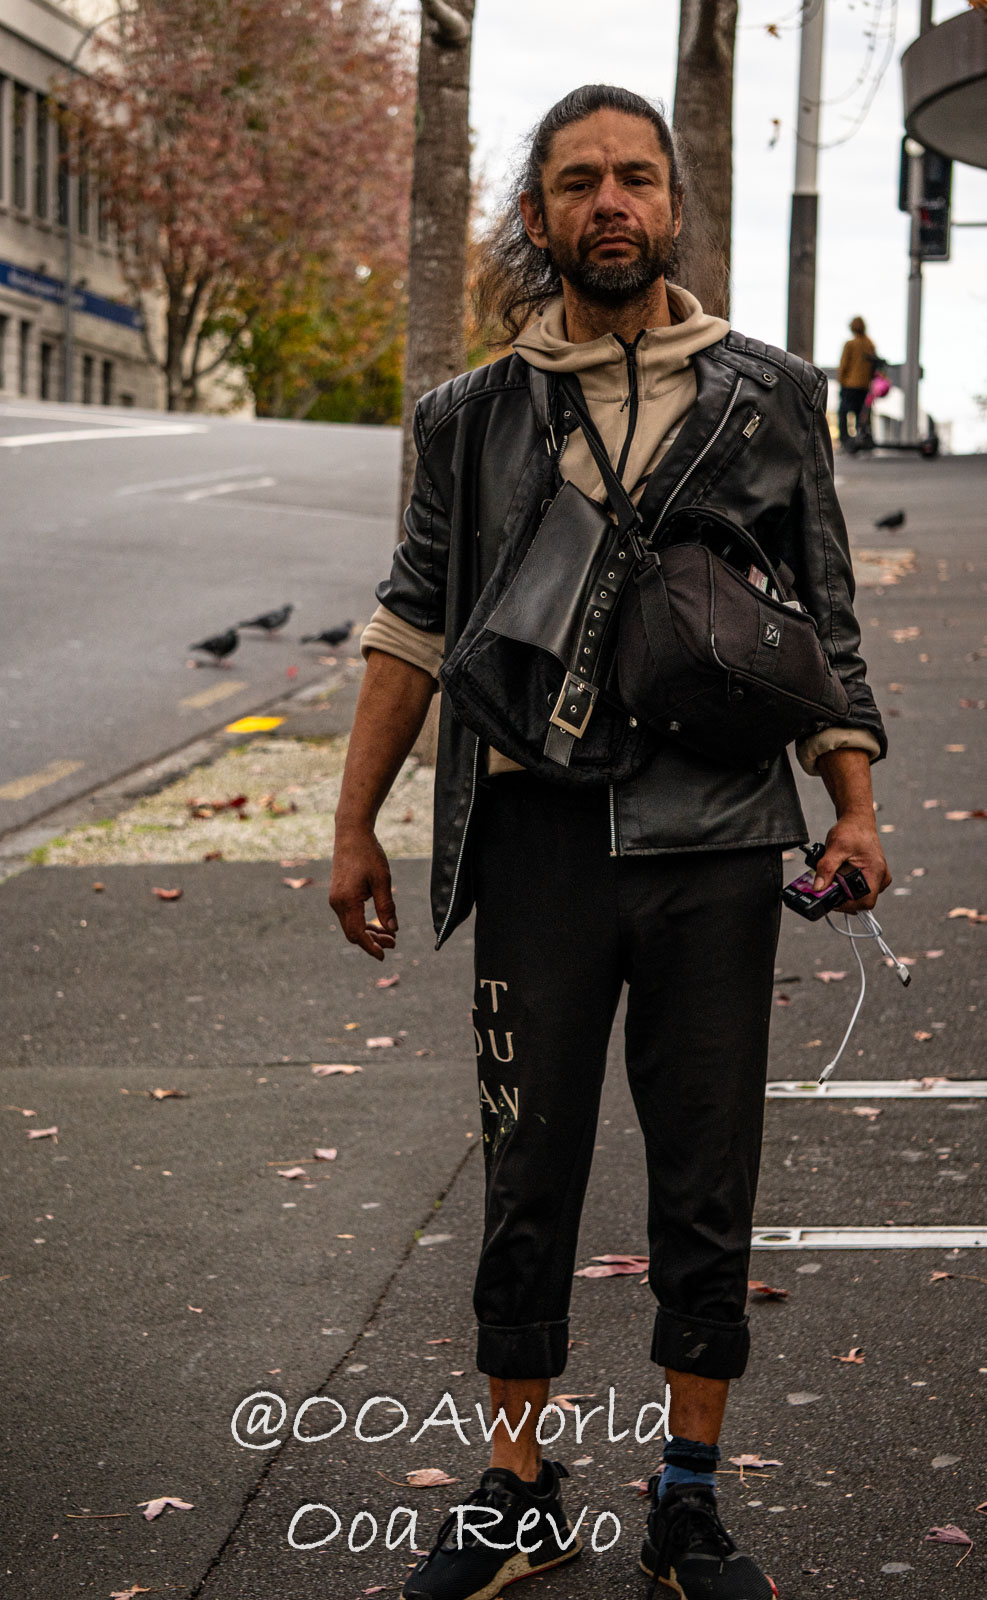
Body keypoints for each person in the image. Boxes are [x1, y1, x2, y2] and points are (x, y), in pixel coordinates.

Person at [330, 85, 889, 1600]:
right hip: (534, 844)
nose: (607, 203)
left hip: (714, 843)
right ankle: (517, 1494)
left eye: (633, 177)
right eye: (576, 181)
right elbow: (408, 618)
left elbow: (820, 620)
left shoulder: (763, 397)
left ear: (672, 203)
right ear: (538, 215)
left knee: (703, 1183)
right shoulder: (469, 417)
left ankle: (688, 1501)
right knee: (529, 1177)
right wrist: (353, 823)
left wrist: (848, 798)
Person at [837, 316, 877, 453]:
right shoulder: (870, 344)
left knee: (843, 413)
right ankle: (863, 439)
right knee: (863, 414)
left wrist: (840, 381)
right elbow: (874, 366)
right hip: (865, 385)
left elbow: (843, 366)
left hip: (850, 385)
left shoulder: (850, 344)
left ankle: (846, 441)